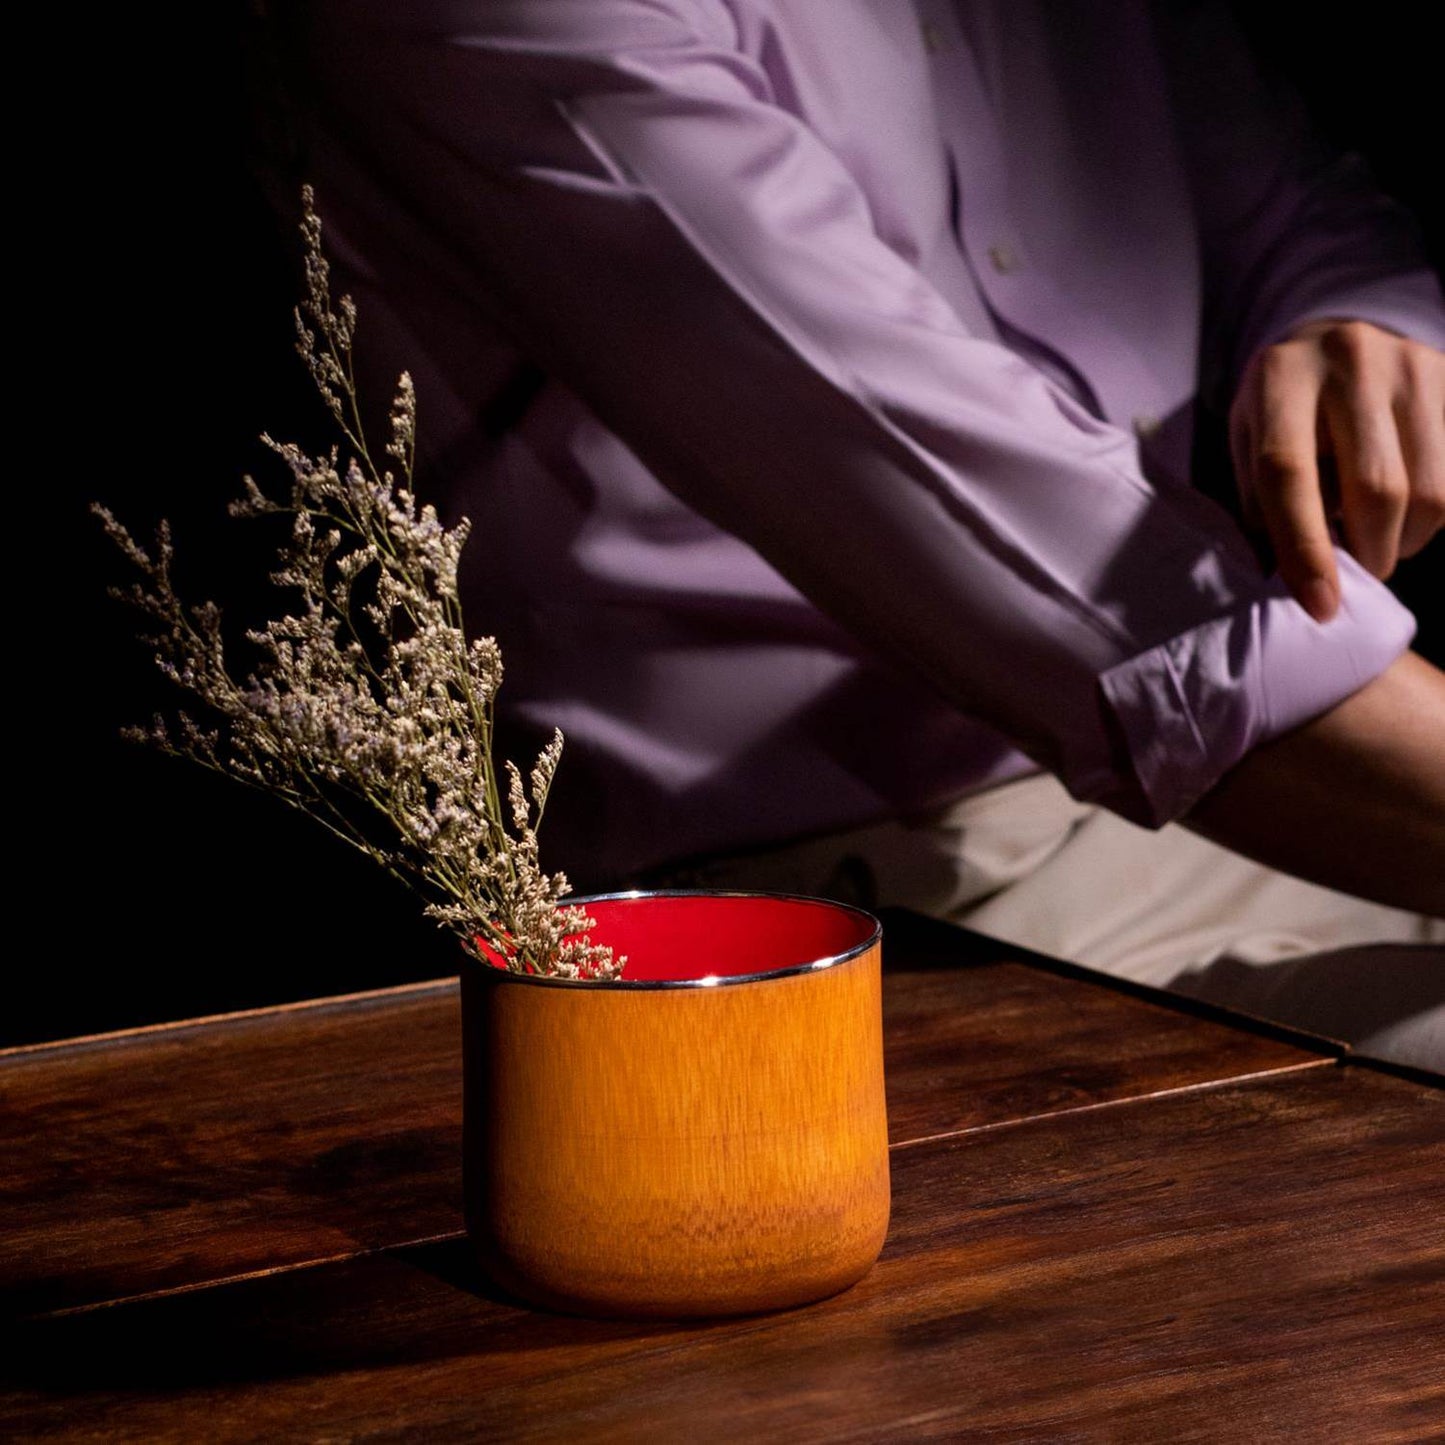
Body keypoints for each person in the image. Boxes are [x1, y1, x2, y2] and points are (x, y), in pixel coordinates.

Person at [289, 1, 1445, 1067]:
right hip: (819, 916)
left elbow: (1286, 194)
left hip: (1208, 816)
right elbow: (1073, 588)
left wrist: (1341, 301)